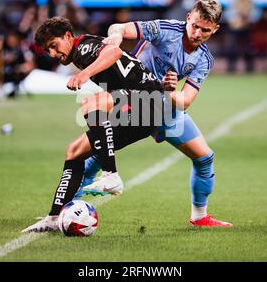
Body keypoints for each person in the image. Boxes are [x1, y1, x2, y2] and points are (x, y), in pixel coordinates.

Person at [79, 0, 233, 228]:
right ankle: (66, 206)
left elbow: (186, 101)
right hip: (135, 99)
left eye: (206, 30)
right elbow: (119, 27)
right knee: (99, 150)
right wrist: (116, 37)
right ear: (189, 17)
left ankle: (200, 217)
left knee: (204, 158)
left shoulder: (204, 59)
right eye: (196, 26)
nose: (198, 33)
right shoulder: (166, 29)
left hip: (165, 106)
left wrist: (170, 92)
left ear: (215, 29)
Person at [21, 16, 170, 232]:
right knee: (74, 151)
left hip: (149, 102)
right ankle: (54, 217)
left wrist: (84, 74)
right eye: (48, 50)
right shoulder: (79, 52)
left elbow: (115, 52)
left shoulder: (83, 47)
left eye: (54, 45)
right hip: (138, 109)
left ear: (68, 36)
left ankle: (111, 176)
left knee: (91, 105)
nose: (52, 53)